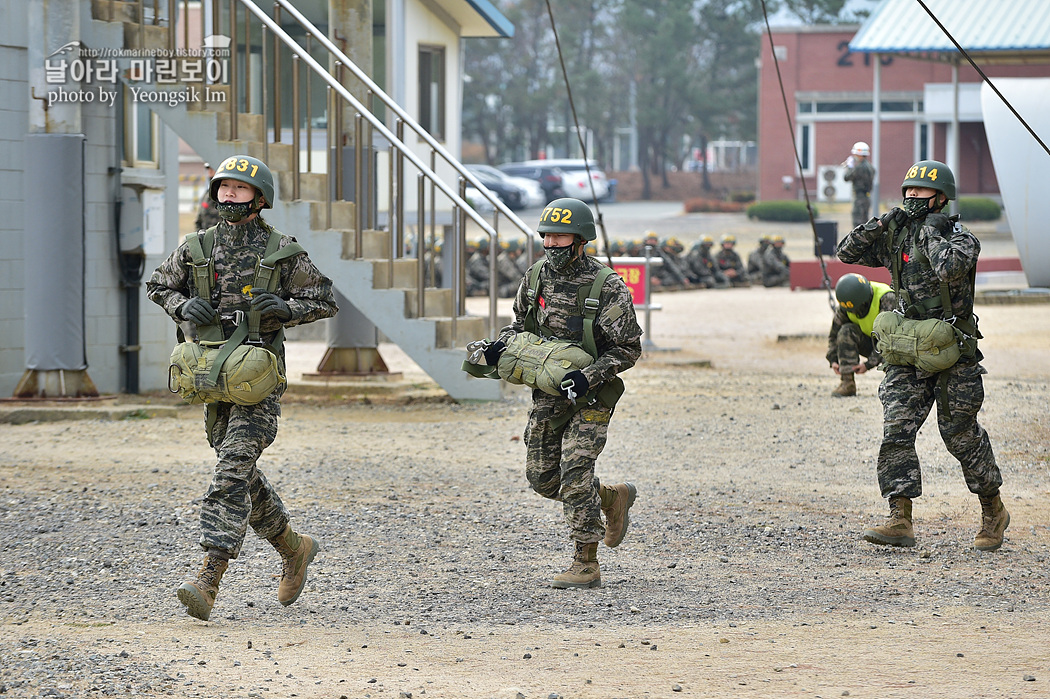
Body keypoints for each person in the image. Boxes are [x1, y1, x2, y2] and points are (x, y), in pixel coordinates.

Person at [147, 154, 339, 620]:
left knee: (232, 467)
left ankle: (208, 578)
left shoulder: (282, 251)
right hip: (212, 375)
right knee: (240, 470)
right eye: (224, 188)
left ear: (260, 198)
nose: (229, 195)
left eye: (240, 189)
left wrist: (288, 309)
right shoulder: (197, 246)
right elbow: (157, 284)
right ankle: (293, 548)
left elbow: (325, 299)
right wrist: (182, 304)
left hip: (258, 379)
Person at [836, 159, 1009, 551]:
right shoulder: (896, 238)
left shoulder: (962, 239)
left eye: (921, 192)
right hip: (907, 350)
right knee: (896, 427)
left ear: (941, 198)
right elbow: (847, 251)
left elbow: (949, 269)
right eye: (908, 191)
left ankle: (993, 509)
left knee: (960, 435)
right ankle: (900, 517)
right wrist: (884, 222)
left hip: (953, 352)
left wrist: (931, 232)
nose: (912, 197)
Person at [481, 198, 642, 589]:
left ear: (581, 239)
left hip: (591, 398)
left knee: (574, 475)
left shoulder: (607, 286)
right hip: (547, 396)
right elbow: (521, 326)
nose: (552, 243)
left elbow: (628, 348)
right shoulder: (535, 277)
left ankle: (585, 562)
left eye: (560, 236)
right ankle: (610, 497)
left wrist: (590, 376)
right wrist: (500, 346)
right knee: (542, 479)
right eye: (547, 236)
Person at [826, 273, 896, 397]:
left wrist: (868, 364)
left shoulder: (886, 298)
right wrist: (833, 359)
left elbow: (887, 338)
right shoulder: (847, 305)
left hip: (891, 343)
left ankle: (895, 385)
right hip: (869, 341)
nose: (854, 313)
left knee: (892, 351)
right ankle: (847, 384)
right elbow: (834, 334)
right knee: (846, 331)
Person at [843, 141, 875, 228]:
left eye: (855, 154)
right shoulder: (870, 167)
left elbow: (846, 177)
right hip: (866, 197)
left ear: (859, 154)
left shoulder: (859, 167)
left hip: (859, 198)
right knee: (864, 222)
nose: (854, 156)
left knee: (858, 223)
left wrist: (849, 167)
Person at [194, 162, 223, 232]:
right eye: (209, 170)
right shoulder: (207, 194)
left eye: (212, 169)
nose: (210, 172)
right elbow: (199, 219)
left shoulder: (224, 194)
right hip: (206, 237)